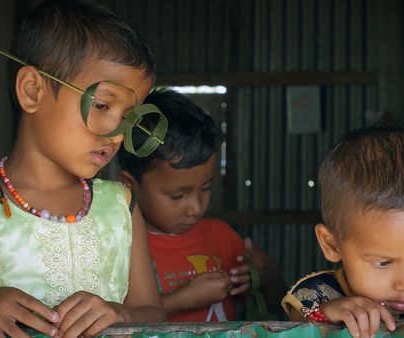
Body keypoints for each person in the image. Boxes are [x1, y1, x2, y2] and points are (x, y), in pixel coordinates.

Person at [0, 1, 167, 337]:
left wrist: (120, 314)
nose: (117, 133)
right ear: (32, 90)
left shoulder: (121, 206)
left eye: (128, 116)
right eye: (102, 104)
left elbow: (153, 314)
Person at [282, 127, 404, 338]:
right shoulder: (319, 293)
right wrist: (326, 314)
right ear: (331, 244)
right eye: (384, 263)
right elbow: (292, 325)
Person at [118, 89, 287, 322]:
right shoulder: (117, 249)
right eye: (177, 196)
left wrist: (268, 274)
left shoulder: (221, 237)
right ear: (129, 185)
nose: (196, 208)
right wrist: (182, 300)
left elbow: (282, 306)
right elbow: (114, 322)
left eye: (205, 188)